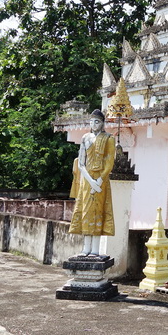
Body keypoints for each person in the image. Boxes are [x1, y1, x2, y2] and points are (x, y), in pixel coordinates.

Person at [69, 109, 116, 256]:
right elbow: (81, 163)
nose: (93, 124)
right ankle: (86, 248)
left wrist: (99, 181)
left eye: (97, 121)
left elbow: (109, 163)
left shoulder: (109, 138)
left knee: (98, 212)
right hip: (87, 179)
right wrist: (90, 181)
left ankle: (95, 249)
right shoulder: (85, 138)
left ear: (102, 123)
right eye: (91, 121)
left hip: (101, 179)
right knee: (85, 211)